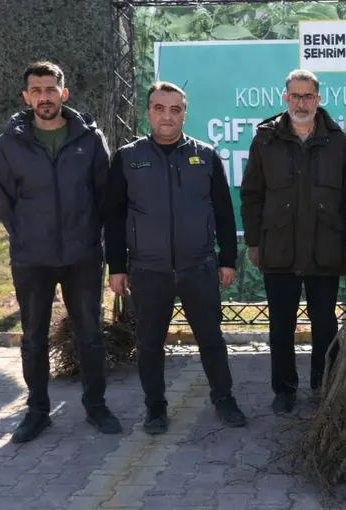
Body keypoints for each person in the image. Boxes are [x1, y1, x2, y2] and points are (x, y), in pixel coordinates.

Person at [0, 61, 122, 443]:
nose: (44, 97)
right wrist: (27, 237)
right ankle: (37, 411)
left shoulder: (89, 138)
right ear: (26, 96)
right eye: (36, 90)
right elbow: (4, 200)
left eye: (50, 89)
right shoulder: (9, 144)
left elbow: (104, 196)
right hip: (32, 258)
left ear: (63, 93)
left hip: (82, 255)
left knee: (90, 334)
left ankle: (96, 406)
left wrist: (90, 237)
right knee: (33, 336)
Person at [104, 81, 246, 434]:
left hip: (198, 266)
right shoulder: (127, 157)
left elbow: (225, 214)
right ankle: (155, 408)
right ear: (148, 111)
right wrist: (117, 267)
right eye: (159, 108)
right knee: (150, 344)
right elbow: (114, 216)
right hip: (148, 270)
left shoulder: (207, 156)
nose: (167, 116)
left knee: (212, 339)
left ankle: (224, 398)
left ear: (185, 113)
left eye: (175, 109)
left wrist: (227, 259)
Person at [240, 69, 346, 415]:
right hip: (279, 248)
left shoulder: (338, 142)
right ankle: (285, 389)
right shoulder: (265, 139)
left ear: (318, 100)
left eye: (308, 96)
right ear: (285, 98)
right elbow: (251, 195)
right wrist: (253, 242)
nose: (301, 103)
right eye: (295, 96)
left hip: (325, 248)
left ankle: (325, 387)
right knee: (281, 326)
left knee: (325, 325)